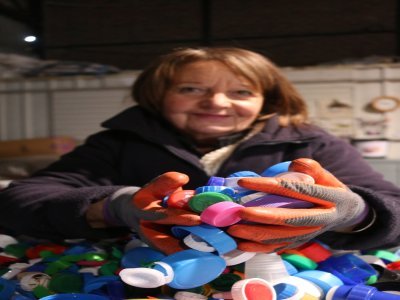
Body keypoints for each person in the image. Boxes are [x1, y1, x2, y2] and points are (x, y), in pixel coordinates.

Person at [0, 47, 399, 255]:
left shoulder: (309, 144)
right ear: (159, 96)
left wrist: (355, 213)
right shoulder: (119, 142)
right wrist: (115, 206)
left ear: (266, 101)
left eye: (241, 92)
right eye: (192, 89)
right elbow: (18, 201)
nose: (218, 103)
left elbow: (394, 209)